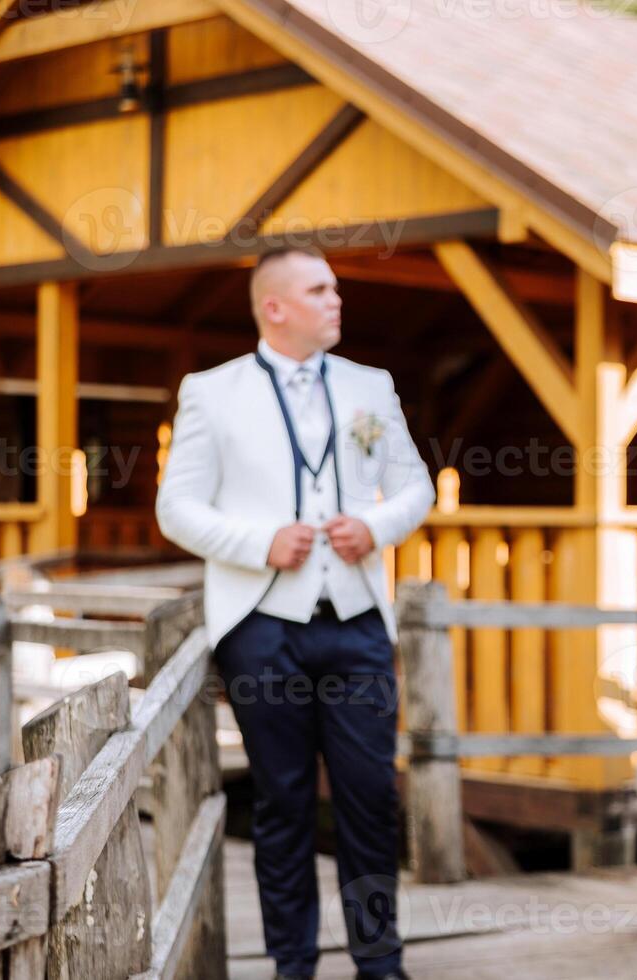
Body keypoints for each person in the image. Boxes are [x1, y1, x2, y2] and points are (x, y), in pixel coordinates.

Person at [156, 246, 435, 980]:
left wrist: (375, 528)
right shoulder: (211, 393)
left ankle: (381, 964)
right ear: (275, 307)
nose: (336, 299)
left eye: (335, 288)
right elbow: (175, 508)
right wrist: (258, 542)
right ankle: (293, 966)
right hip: (261, 626)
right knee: (280, 801)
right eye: (320, 290)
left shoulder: (371, 386)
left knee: (371, 797)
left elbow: (416, 487)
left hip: (356, 623)